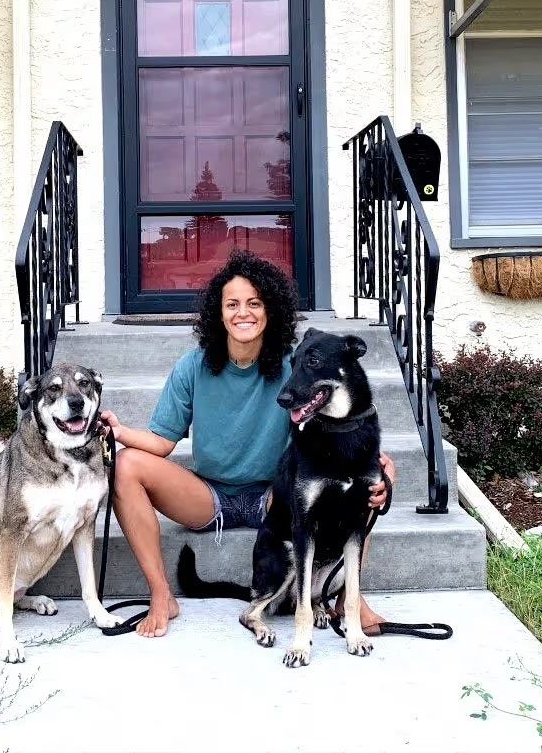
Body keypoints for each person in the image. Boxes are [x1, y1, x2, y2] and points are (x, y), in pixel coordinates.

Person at [100, 250, 395, 637]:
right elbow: (160, 440)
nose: (244, 313)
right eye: (233, 304)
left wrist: (382, 470)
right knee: (125, 465)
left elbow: (343, 431)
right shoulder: (193, 366)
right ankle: (161, 595)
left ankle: (348, 599)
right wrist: (119, 432)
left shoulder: (298, 366)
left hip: (275, 498)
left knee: (367, 482)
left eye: (254, 303)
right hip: (209, 496)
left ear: (270, 310)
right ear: (218, 313)